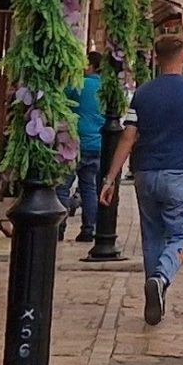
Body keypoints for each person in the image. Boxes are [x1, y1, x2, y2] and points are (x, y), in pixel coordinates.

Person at [100, 33, 183, 324]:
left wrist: (110, 178)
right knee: (180, 235)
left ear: (156, 57)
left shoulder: (143, 93)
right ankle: (161, 279)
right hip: (181, 171)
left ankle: (155, 289)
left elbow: (128, 137)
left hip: (145, 172)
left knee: (151, 236)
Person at [67, 51, 107, 245]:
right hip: (97, 144)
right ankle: (88, 229)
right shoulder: (104, 87)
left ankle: (57, 228)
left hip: (75, 142)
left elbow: (62, 102)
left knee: (63, 186)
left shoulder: (78, 84)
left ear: (90, 65)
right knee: (89, 188)